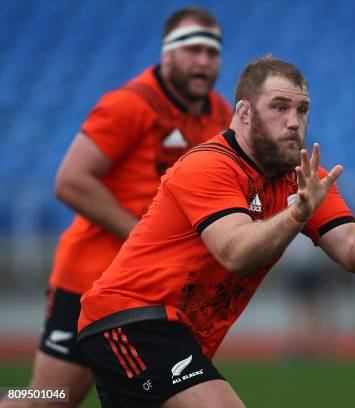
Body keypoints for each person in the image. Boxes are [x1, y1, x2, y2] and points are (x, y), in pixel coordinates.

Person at [76, 56, 355, 407]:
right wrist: (296, 214)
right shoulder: (209, 165)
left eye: (302, 110)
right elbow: (236, 253)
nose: (294, 121)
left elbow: (354, 252)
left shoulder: (307, 182)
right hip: (130, 319)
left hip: (181, 335)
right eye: (280, 107)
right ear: (243, 113)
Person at [2, 7, 232, 408]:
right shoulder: (130, 105)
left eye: (212, 52)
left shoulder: (220, 114)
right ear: (167, 53)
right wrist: (142, 238)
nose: (203, 61)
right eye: (192, 49)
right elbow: (70, 180)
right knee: (48, 399)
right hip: (89, 277)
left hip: (150, 289)